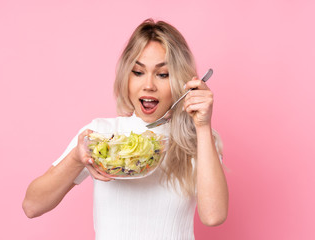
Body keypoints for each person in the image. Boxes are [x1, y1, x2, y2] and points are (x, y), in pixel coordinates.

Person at [22, 19, 228, 240]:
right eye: (138, 72)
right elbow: (32, 206)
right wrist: (76, 159)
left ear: (181, 81)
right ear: (126, 76)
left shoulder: (198, 141)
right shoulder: (100, 136)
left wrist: (203, 126)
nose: (148, 85)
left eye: (162, 74)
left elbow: (213, 216)